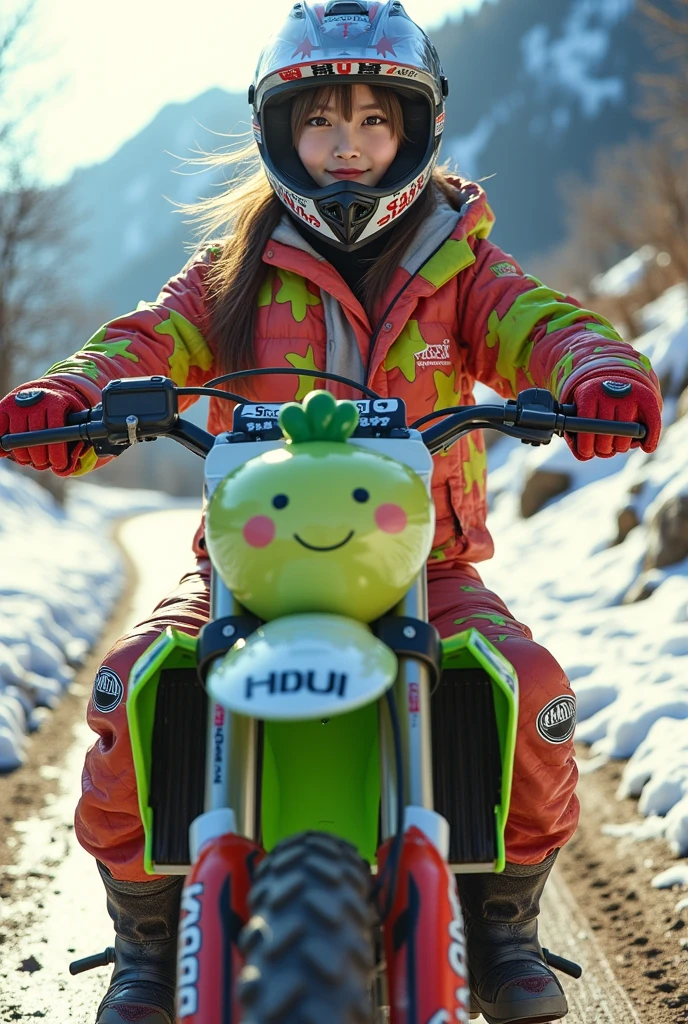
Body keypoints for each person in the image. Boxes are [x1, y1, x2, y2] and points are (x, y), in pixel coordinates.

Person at [0, 3, 662, 1023]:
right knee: (128, 688)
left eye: (371, 120)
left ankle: (503, 921)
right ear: (278, 133)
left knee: (529, 688)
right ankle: (145, 930)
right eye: (318, 120)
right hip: (244, 565)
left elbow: (543, 323)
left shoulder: (461, 262)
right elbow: (142, 343)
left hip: (423, 565)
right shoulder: (232, 271)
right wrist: (75, 398)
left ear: (413, 131)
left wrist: (599, 368)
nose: (345, 144)